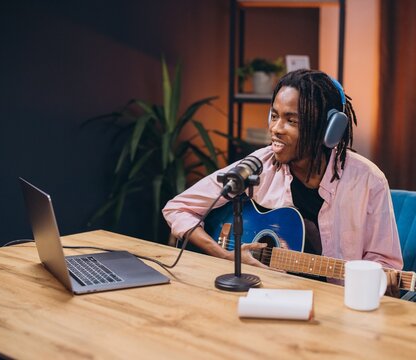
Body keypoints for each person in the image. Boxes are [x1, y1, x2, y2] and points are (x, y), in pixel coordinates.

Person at [163, 69, 402, 295]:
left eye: (292, 121)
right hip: (264, 297)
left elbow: (385, 263)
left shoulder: (368, 180)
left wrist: (383, 280)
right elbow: (178, 208)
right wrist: (225, 255)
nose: (276, 129)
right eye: (274, 116)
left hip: (336, 308)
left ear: (327, 129)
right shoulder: (260, 164)